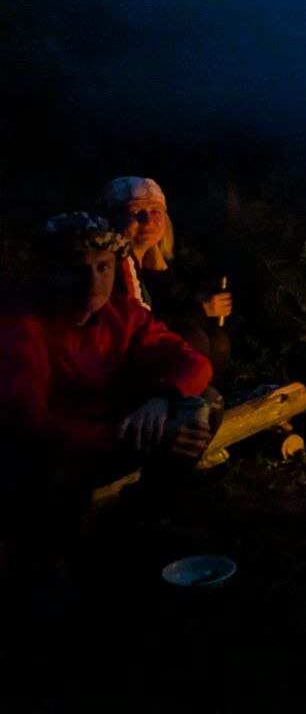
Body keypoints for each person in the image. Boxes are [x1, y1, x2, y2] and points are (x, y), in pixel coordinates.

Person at [0, 213, 219, 554]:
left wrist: (163, 397)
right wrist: (128, 436)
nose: (93, 282)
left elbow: (194, 362)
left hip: (116, 429)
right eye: (77, 269)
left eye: (103, 267)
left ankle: (147, 512)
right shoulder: (25, 326)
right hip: (61, 451)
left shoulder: (122, 313)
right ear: (51, 273)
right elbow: (31, 425)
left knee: (204, 403)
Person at [100, 176, 233, 379]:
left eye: (156, 211)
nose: (148, 220)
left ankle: (200, 396)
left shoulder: (152, 262)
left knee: (217, 340)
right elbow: (140, 327)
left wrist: (199, 302)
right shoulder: (115, 266)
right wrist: (202, 309)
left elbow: (167, 305)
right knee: (191, 340)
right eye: (136, 211)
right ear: (114, 219)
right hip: (119, 363)